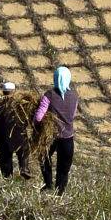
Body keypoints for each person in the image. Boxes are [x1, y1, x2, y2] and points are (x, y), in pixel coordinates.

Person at [35, 65, 79, 195]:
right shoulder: (74, 96)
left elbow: (38, 117)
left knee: (43, 157)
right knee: (64, 167)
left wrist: (36, 125)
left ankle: (48, 184)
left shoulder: (49, 95)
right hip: (67, 138)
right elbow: (73, 114)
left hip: (51, 136)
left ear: (55, 78)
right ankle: (59, 192)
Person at [0, 82, 32, 179]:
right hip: (19, 137)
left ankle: (7, 176)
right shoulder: (21, 106)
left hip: (3, 138)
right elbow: (28, 120)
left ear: (3, 92)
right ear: (14, 92)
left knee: (5, 158)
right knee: (24, 150)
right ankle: (24, 168)